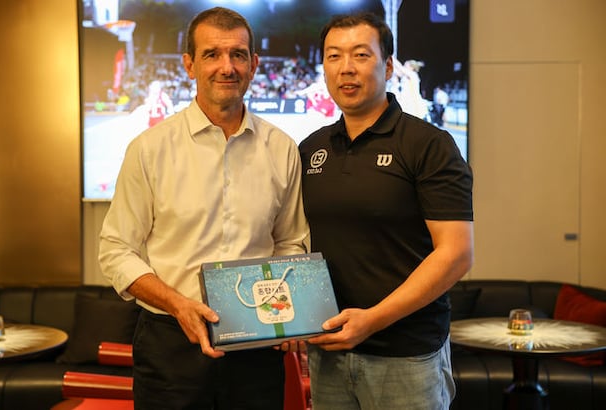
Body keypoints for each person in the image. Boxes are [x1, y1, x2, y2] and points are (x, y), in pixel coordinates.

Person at [98, 7, 309, 410]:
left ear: (254, 64)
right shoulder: (150, 149)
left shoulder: (282, 149)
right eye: (212, 54)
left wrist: (284, 312)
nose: (226, 67)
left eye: (238, 54)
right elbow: (116, 249)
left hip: (256, 347)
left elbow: (290, 243)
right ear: (189, 64)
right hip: (170, 342)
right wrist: (177, 304)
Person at [299, 12, 474, 410]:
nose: (346, 68)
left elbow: (456, 254)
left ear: (389, 66)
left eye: (361, 55)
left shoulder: (429, 145)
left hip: (406, 356)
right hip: (330, 350)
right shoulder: (310, 149)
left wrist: (372, 319)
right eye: (334, 56)